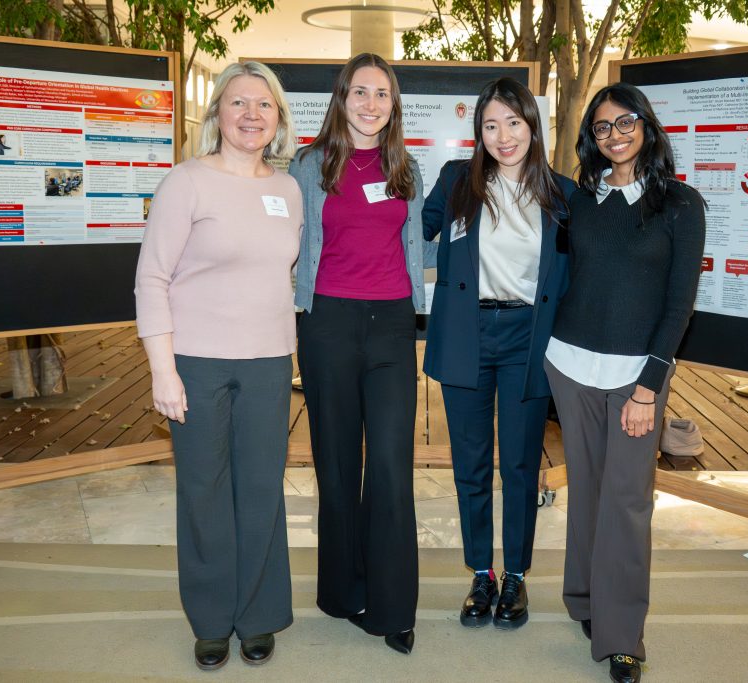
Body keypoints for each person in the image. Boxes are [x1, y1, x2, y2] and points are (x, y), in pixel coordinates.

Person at [135, 61, 302, 671]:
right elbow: (151, 277)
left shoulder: (287, 190)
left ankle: (257, 615)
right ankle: (210, 620)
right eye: (239, 103)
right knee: (203, 491)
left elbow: (283, 275)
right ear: (218, 114)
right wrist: (162, 368)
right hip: (196, 363)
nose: (252, 115)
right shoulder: (185, 183)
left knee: (260, 491)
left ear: (277, 118)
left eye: (264, 105)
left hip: (266, 364)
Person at [543, 82, 706, 683]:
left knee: (628, 503)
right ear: (593, 137)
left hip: (635, 378)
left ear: (646, 125)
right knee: (586, 491)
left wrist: (648, 388)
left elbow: (679, 307)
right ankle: (584, 600)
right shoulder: (578, 201)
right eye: (602, 127)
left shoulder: (681, 204)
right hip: (570, 365)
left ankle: (621, 635)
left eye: (624, 122)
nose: (614, 135)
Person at [288, 52, 433, 655]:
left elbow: (417, 244)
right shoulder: (307, 165)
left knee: (394, 467)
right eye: (360, 92)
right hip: (327, 322)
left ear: (393, 103)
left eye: (382, 93)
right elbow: (289, 244)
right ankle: (343, 591)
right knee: (338, 462)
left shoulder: (407, 167)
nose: (371, 104)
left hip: (393, 324)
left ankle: (394, 605)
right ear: (341, 99)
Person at [422, 77, 574, 630]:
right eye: (491, 125)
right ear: (478, 131)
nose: (503, 136)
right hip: (466, 333)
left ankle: (516, 577)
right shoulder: (457, 181)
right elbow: (413, 231)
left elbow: (581, 271)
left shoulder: (562, 192)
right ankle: (481, 573)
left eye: (513, 122)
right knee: (470, 464)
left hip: (528, 339)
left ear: (532, 126)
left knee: (518, 463)